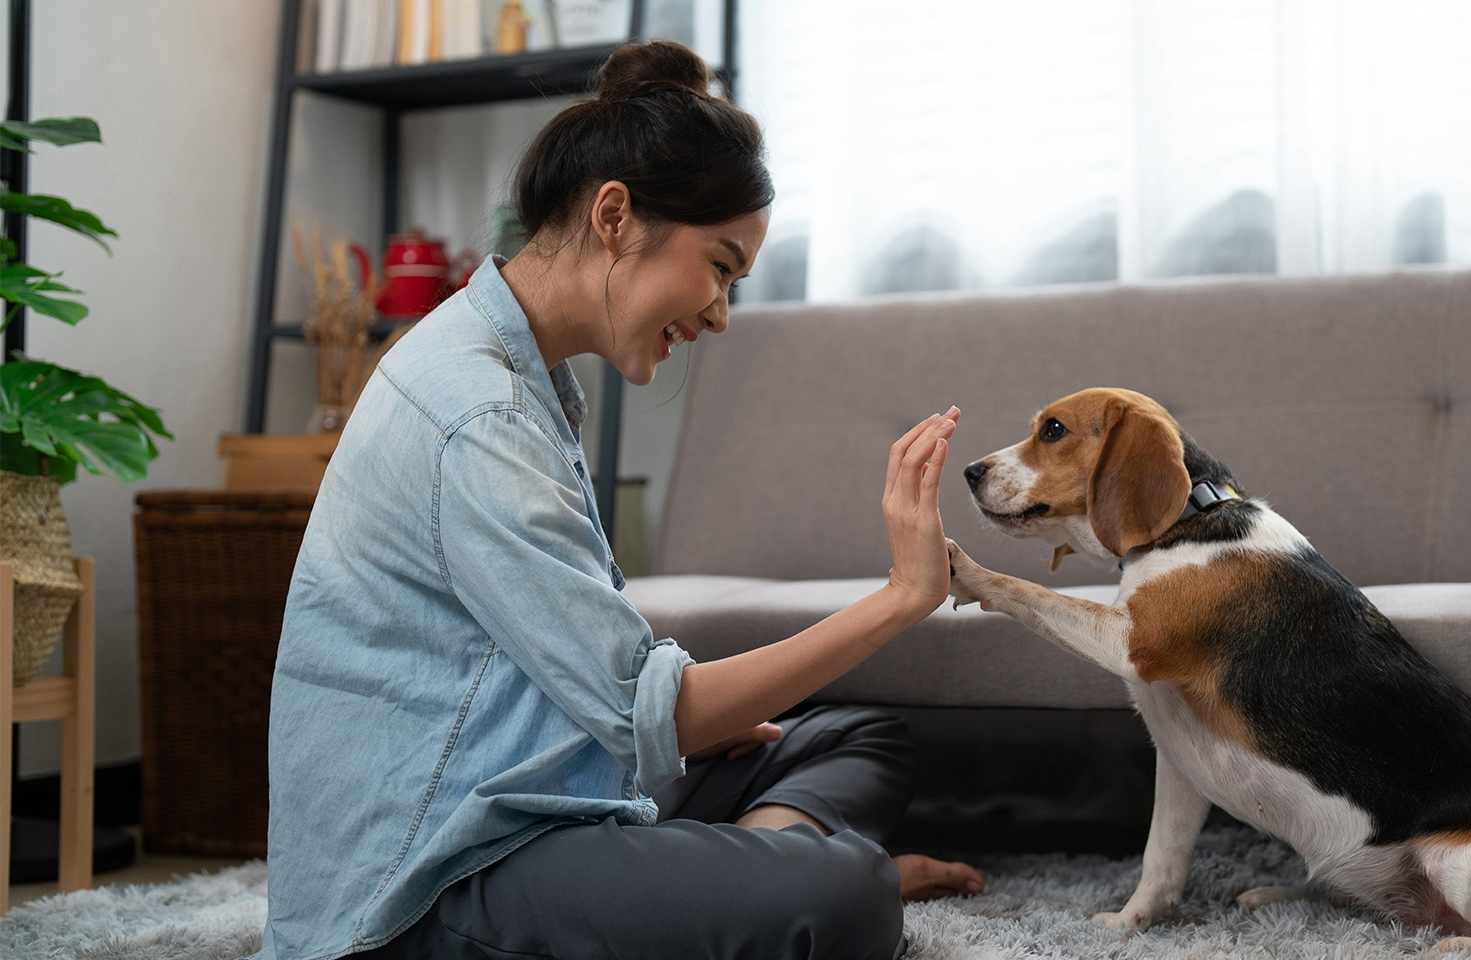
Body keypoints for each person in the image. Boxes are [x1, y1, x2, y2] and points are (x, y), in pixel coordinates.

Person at [255, 40, 981, 960]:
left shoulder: (510, 368)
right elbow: (657, 712)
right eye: (720, 266)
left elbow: (577, 681)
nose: (720, 313)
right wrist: (900, 600)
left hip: (524, 784)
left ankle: (738, 862)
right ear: (613, 215)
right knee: (852, 896)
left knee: (859, 734)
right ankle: (762, 869)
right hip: (431, 881)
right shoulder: (478, 414)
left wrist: (683, 755)